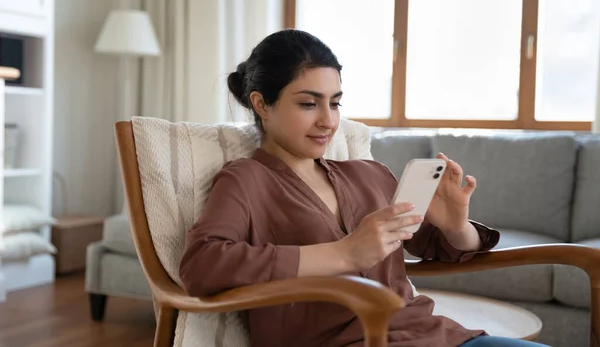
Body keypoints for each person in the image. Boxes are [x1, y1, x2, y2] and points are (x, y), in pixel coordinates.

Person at [179, 29, 548, 347]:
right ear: (261, 103)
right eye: (309, 103)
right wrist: (343, 253)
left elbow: (442, 248)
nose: (328, 121)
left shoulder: (368, 174)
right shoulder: (245, 179)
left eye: (335, 103)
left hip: (436, 336)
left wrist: (456, 225)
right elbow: (202, 266)